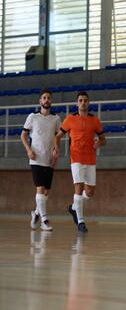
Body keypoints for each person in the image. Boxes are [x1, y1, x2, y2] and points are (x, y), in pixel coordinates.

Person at [54, 91, 106, 233]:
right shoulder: (70, 119)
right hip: (76, 157)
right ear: (77, 103)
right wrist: (56, 148)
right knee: (78, 186)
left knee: (90, 192)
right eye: (81, 100)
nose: (83, 103)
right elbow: (58, 136)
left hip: (90, 158)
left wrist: (99, 143)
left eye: (85, 100)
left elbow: (103, 139)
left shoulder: (94, 120)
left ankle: (73, 207)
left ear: (88, 103)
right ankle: (81, 222)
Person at [21, 89, 61, 231]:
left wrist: (56, 151)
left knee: (46, 192)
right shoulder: (33, 117)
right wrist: (29, 150)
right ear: (40, 101)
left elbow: (57, 137)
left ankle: (36, 213)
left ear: (51, 100)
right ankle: (44, 220)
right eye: (44, 98)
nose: (46, 100)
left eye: (49, 98)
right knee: (40, 189)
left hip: (49, 159)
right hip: (36, 158)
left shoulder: (56, 119)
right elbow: (23, 136)